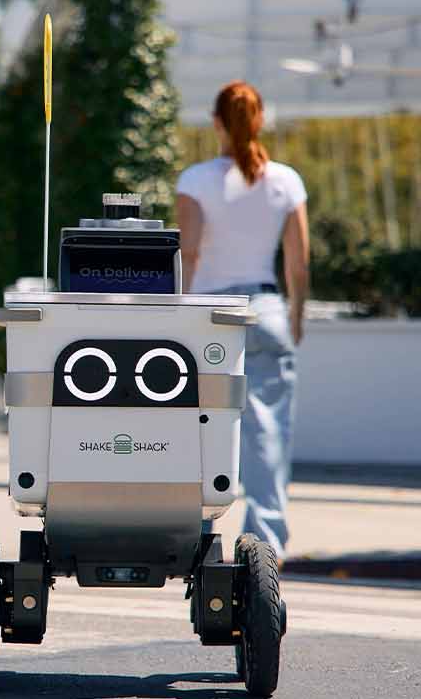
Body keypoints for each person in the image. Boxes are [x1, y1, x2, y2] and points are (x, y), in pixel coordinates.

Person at [175, 80, 310, 567]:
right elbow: (298, 264)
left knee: (203, 427)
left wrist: (179, 315)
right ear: (260, 121)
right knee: (268, 431)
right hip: (267, 311)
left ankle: (198, 538)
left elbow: (188, 254)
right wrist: (295, 317)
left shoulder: (195, 180)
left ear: (216, 123)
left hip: (210, 317)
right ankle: (265, 546)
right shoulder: (286, 181)